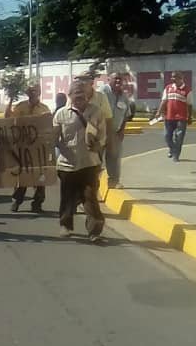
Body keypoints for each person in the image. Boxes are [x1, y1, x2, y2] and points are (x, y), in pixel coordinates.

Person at [54, 80, 106, 242]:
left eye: (82, 96)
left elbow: (103, 136)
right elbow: (54, 138)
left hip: (89, 163)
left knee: (90, 197)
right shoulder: (61, 114)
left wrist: (98, 144)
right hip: (67, 164)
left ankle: (94, 231)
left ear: (87, 96)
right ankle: (65, 225)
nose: (79, 99)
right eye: (75, 96)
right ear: (70, 96)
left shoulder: (96, 112)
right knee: (67, 197)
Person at [8, 81, 52, 213]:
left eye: (35, 90)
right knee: (23, 176)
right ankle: (17, 200)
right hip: (23, 147)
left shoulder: (44, 109)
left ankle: (37, 203)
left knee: (40, 177)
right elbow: (10, 121)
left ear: (39, 92)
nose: (32, 93)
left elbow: (48, 127)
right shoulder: (20, 107)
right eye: (30, 91)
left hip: (39, 148)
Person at [103, 73, 133, 189]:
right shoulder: (102, 92)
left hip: (115, 132)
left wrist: (122, 130)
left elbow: (126, 114)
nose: (118, 81)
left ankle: (114, 181)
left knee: (114, 157)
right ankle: (92, 184)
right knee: (96, 159)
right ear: (109, 79)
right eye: (115, 78)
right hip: (100, 132)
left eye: (120, 79)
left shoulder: (124, 96)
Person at [155, 71, 193, 162]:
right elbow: (164, 101)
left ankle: (176, 155)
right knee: (167, 135)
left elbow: (190, 105)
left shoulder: (187, 90)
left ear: (181, 78)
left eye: (175, 77)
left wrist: (190, 117)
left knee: (179, 137)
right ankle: (172, 149)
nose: (172, 79)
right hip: (169, 117)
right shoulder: (168, 88)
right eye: (172, 77)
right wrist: (158, 112)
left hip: (181, 118)